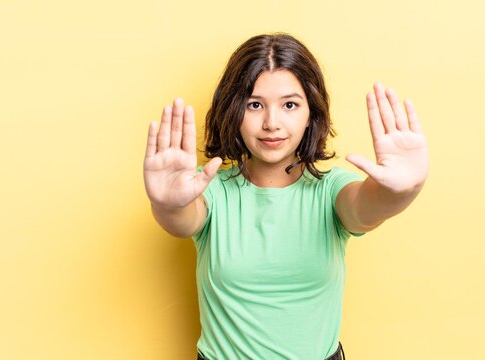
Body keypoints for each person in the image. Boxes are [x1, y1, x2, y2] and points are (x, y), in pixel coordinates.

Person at [143, 33, 428, 360]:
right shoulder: (211, 191)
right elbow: (181, 220)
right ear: (234, 110)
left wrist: (403, 191)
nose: (271, 123)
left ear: (311, 114)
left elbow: (367, 207)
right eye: (255, 105)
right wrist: (166, 203)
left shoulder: (330, 190)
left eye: (290, 104)